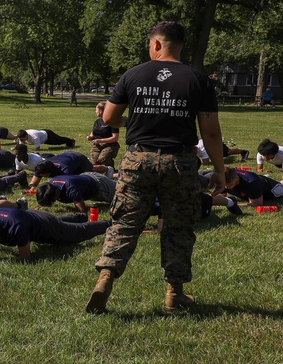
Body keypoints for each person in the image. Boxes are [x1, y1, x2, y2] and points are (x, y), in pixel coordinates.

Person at [86, 21, 225, 314]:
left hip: (138, 160)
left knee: (125, 223)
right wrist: (221, 171)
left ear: (157, 44)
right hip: (179, 163)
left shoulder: (133, 74)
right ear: (180, 45)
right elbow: (211, 132)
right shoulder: (198, 79)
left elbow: (109, 118)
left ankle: (105, 279)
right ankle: (174, 295)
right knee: (178, 228)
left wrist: (131, 121)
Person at [0, 207, 109, 262]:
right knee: (62, 223)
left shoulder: (16, 227)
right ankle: (78, 217)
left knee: (78, 232)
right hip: (32, 216)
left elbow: (26, 257)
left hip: (46, 227)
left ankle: (110, 223)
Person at [35, 172, 117, 213]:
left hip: (99, 185)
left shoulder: (71, 189)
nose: (53, 202)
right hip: (84, 180)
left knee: (124, 197)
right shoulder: (51, 185)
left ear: (56, 193)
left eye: (53, 200)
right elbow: (44, 196)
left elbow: (82, 211)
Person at [87, 102, 120, 167]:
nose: (95, 111)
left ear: (101, 111)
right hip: (97, 146)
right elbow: (93, 134)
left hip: (110, 145)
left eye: (96, 109)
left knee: (103, 159)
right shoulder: (97, 122)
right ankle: (102, 172)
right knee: (93, 164)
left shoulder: (112, 122)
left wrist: (101, 140)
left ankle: (110, 168)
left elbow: (115, 138)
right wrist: (90, 137)